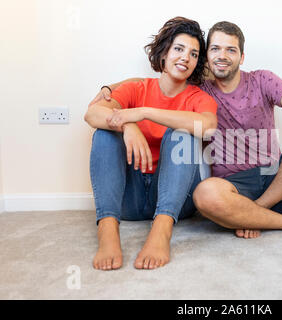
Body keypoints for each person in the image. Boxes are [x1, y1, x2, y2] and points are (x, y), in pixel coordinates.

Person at [91, 21, 282, 241]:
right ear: (207, 57)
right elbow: (147, 83)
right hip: (234, 189)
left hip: (279, 181)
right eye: (215, 48)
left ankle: (257, 213)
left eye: (231, 49)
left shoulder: (262, 79)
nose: (222, 55)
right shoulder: (200, 91)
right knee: (205, 193)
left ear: (242, 56)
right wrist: (109, 91)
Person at [84, 17, 217, 271]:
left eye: (193, 54)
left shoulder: (198, 97)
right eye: (178, 49)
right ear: (164, 53)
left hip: (176, 198)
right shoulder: (137, 88)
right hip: (128, 196)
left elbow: (207, 125)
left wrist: (143, 113)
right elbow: (92, 114)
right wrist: (127, 125)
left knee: (186, 133)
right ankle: (108, 229)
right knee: (104, 133)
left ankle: (161, 230)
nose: (185, 58)